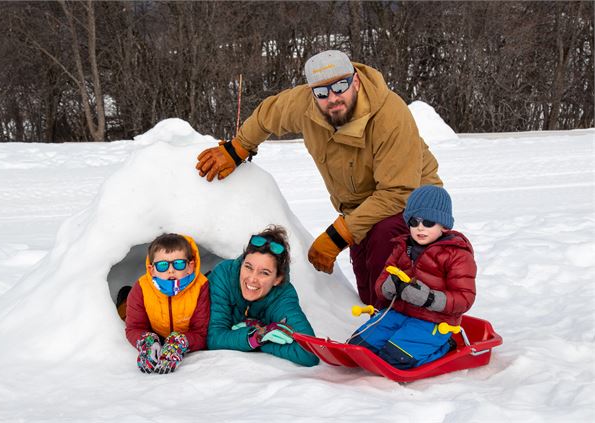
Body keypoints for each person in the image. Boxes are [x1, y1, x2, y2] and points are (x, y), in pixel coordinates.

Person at [195, 49, 442, 309]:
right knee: (370, 292)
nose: (332, 98)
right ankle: (381, 317)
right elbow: (268, 114)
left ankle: (410, 317)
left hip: (413, 203)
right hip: (360, 207)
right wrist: (238, 149)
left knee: (386, 258)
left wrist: (338, 235)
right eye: (322, 93)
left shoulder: (390, 116)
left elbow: (398, 191)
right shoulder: (306, 105)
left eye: (340, 87)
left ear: (355, 81)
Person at [347, 185, 476, 369]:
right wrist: (388, 286)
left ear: (443, 224)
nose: (420, 228)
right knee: (357, 347)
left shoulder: (457, 254)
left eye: (429, 222)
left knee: (394, 360)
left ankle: (445, 346)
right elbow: (382, 282)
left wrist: (429, 298)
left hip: (434, 322)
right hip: (399, 314)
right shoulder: (402, 247)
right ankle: (398, 340)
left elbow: (465, 298)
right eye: (414, 222)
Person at [207, 225, 319, 367]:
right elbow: (214, 337)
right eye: (248, 267)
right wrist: (256, 335)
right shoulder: (224, 275)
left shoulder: (283, 296)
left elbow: (309, 352)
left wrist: (261, 339)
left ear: (277, 279)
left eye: (264, 273)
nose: (253, 278)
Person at [123, 233, 210, 374]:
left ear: (190, 266)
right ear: (152, 270)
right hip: (155, 330)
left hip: (184, 335)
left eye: (179, 264)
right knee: (125, 310)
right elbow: (134, 327)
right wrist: (146, 341)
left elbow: (202, 333)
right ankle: (122, 301)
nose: (171, 270)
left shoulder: (201, 288)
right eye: (163, 265)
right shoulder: (141, 288)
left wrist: (181, 342)